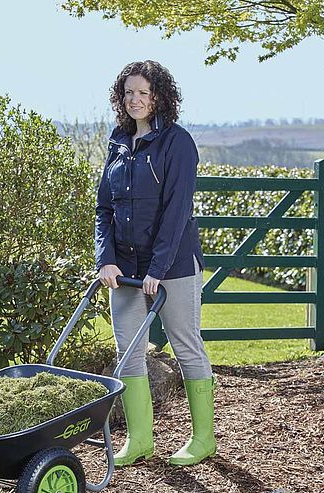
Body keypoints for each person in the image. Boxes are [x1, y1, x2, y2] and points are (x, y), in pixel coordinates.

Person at [95, 60, 215, 467]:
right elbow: (104, 210)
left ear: (159, 96)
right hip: (125, 270)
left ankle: (203, 439)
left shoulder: (177, 144)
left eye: (142, 92)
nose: (134, 100)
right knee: (127, 351)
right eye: (128, 92)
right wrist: (106, 260)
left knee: (185, 344)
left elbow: (176, 212)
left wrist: (158, 270)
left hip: (174, 265)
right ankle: (140, 440)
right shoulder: (118, 142)